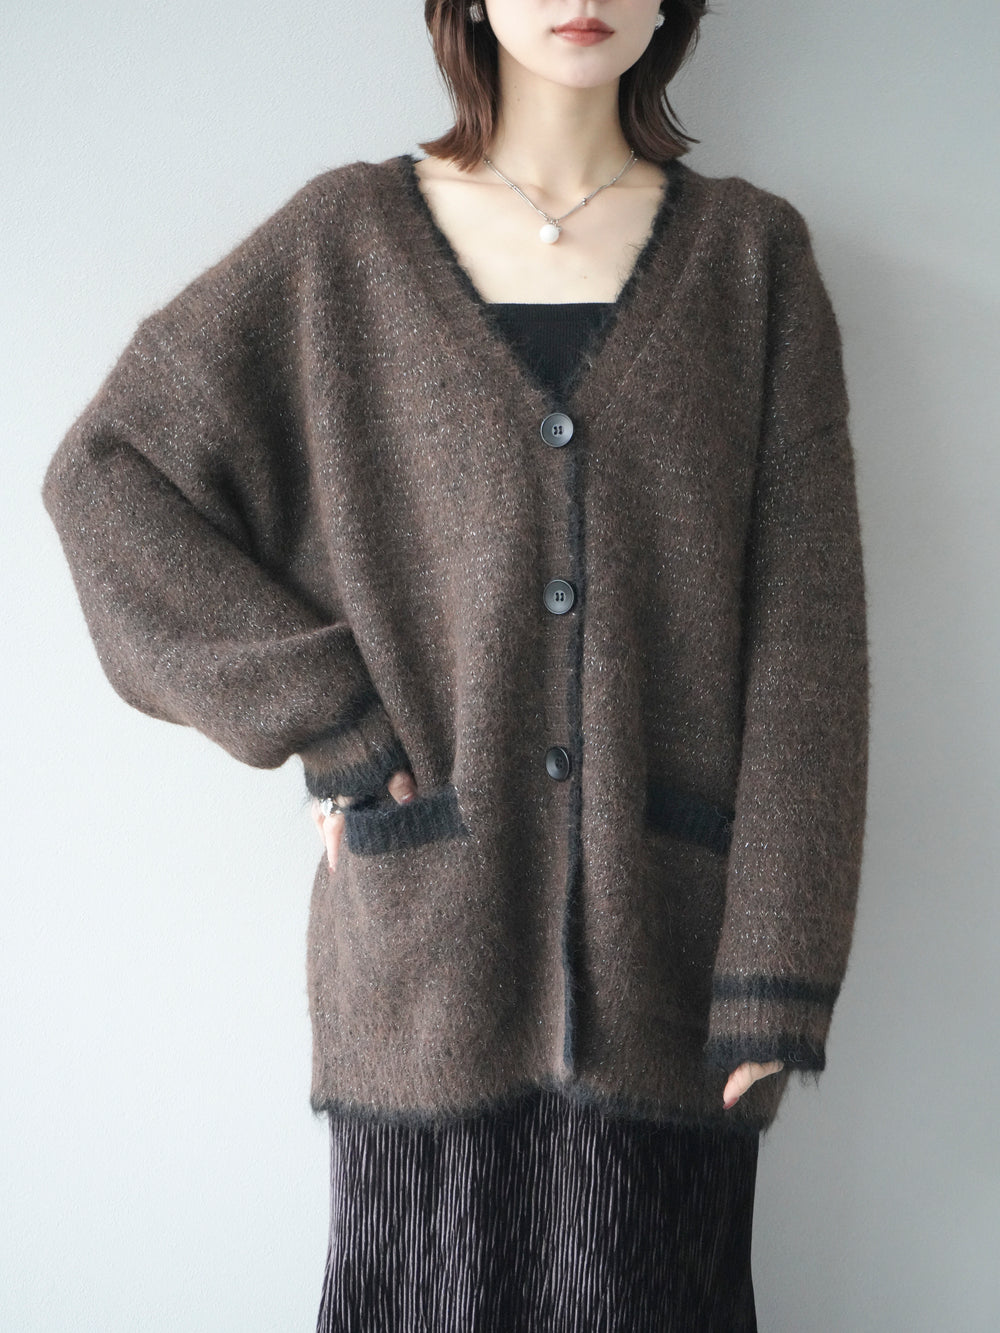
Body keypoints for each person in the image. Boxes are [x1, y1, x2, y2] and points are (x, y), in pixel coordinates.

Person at [42, 1, 870, 1328]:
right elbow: (109, 478)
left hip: (665, 973)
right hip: (421, 967)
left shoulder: (750, 263)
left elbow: (808, 642)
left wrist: (778, 962)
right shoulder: (343, 248)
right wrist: (328, 715)